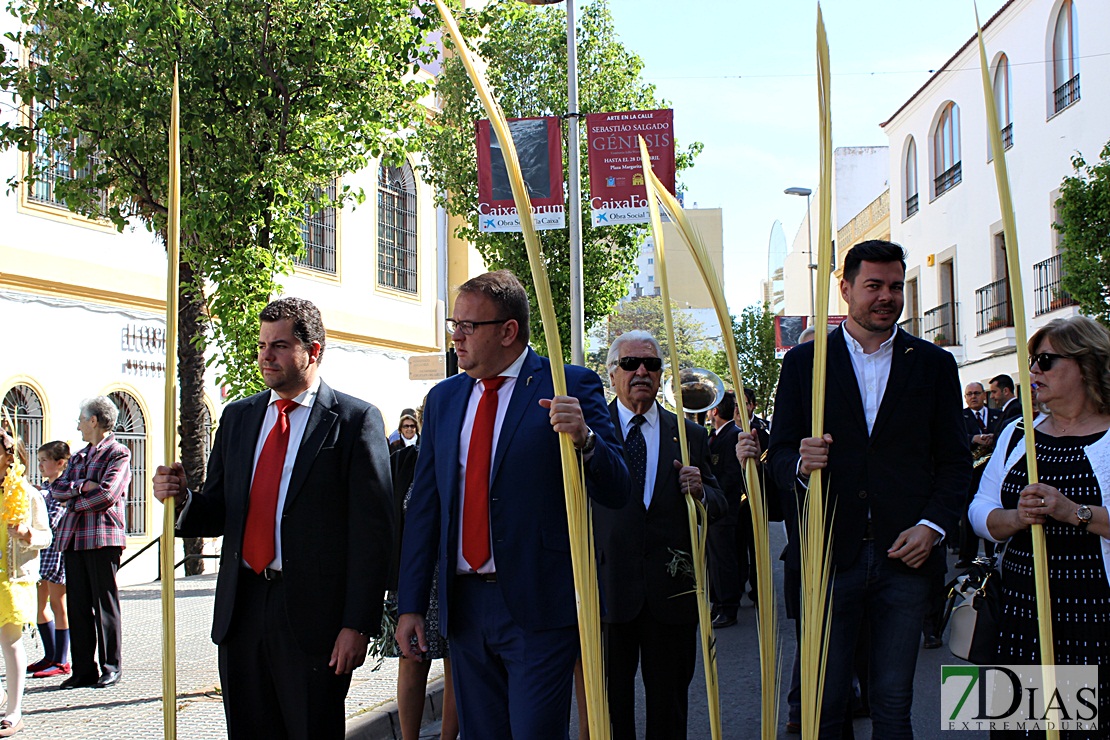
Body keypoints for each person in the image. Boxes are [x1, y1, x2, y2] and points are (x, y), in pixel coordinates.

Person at [395, 270, 629, 739]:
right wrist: (411, 605)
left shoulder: (569, 385)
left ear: (508, 331)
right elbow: (425, 507)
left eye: (468, 327)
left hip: (538, 606)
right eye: (453, 326)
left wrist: (585, 440)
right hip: (465, 609)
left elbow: (617, 488)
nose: (456, 337)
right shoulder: (443, 399)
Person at [153, 297, 393, 740]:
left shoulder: (354, 421)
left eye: (279, 345)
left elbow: (372, 535)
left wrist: (358, 623)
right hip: (241, 610)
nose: (266, 356)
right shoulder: (240, 417)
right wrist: (183, 498)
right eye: (262, 345)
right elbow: (222, 509)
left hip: (313, 620)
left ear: (313, 350)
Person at [767, 239, 970, 738]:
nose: (887, 296)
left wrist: (933, 526)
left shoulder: (933, 364)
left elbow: (955, 462)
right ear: (845, 289)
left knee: (894, 703)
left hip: (907, 556)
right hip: (829, 557)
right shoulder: (803, 365)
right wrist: (798, 462)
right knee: (827, 701)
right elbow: (779, 457)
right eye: (874, 285)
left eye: (896, 286)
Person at [970, 315, 1110, 738]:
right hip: (1019, 610)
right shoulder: (1017, 434)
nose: (1033, 371)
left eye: (1046, 361)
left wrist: (1074, 512)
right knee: (1019, 728)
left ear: (1087, 365)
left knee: (1086, 729)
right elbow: (980, 509)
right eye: (1032, 361)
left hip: (1093, 614)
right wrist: (1015, 518)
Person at [594, 329, 725, 740]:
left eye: (651, 364)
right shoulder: (590, 435)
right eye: (630, 364)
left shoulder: (690, 436)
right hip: (608, 592)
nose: (641, 372)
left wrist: (701, 490)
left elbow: (723, 506)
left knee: (669, 707)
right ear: (613, 373)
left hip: (671, 594)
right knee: (612, 707)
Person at [49, 395, 131, 690]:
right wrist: (82, 486)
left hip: (102, 538)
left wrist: (74, 501)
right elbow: (56, 488)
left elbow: (108, 495)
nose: (79, 426)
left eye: (82, 420)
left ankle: (111, 667)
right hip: (73, 539)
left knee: (104, 604)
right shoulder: (80, 456)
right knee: (78, 606)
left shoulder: (119, 453)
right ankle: (83, 670)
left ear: (94, 420)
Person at [0, 429, 53, 736]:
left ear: (10, 457)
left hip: (15, 578)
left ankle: (13, 711)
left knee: (9, 641)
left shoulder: (27, 493)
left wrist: (27, 536)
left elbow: (46, 536)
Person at [27, 441, 71, 678]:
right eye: (40, 460)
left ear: (60, 463)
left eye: (45, 460)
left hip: (56, 553)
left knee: (58, 603)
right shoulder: (44, 489)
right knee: (39, 604)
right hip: (40, 554)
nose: (41, 465)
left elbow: (54, 521)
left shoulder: (63, 489)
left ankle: (62, 660)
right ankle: (50, 655)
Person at [707, 390, 744, 628]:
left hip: (725, 509)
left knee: (724, 560)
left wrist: (713, 494)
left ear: (715, 411)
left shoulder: (733, 435)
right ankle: (719, 603)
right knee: (715, 559)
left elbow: (731, 476)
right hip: (716, 509)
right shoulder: (718, 434)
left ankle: (728, 607)